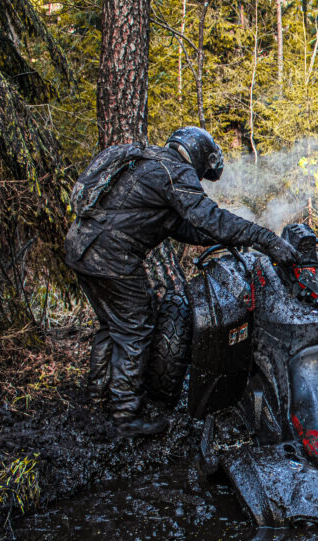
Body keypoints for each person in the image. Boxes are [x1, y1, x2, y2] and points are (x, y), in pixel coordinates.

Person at [64, 126, 298, 437]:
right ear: (199, 156)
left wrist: (229, 238)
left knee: (113, 326)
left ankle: (98, 397)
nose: (200, 178)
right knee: (135, 328)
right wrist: (266, 239)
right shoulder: (175, 171)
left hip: (82, 248)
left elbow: (182, 227)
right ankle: (125, 417)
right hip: (110, 258)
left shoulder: (152, 163)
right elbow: (211, 219)